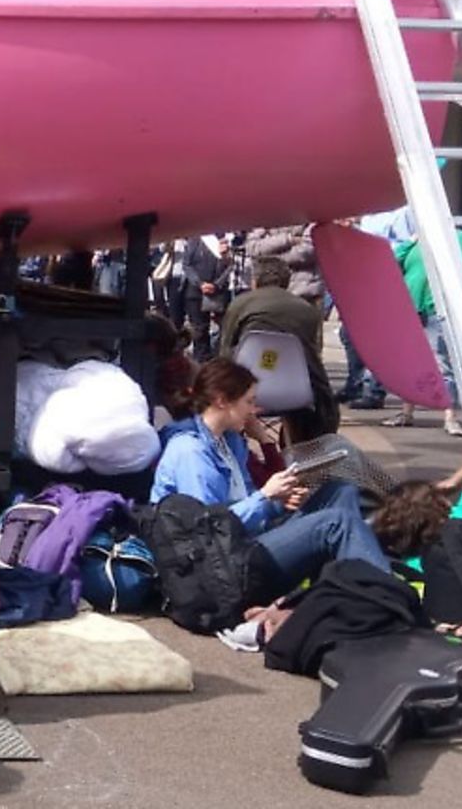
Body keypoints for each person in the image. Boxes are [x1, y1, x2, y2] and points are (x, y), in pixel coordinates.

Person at [152, 359, 386, 604]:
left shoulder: (229, 442)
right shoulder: (191, 451)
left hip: (243, 544)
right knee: (336, 522)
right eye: (249, 402)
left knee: (341, 491)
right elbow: (209, 531)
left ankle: (344, 592)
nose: (255, 410)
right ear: (222, 401)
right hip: (221, 569)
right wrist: (266, 497)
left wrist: (280, 500)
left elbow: (246, 502)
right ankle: (381, 598)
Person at [219, 255, 337, 441]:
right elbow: (314, 356)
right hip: (296, 391)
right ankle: (303, 447)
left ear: (255, 280)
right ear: (287, 282)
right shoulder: (306, 309)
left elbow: (225, 349)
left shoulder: (241, 304)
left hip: (245, 389)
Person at [385, 229, 462, 436]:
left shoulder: (459, 238)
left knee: (442, 363)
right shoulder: (417, 240)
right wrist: (410, 242)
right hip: (411, 309)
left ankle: (450, 417)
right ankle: (406, 413)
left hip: (438, 310)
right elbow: (391, 260)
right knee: (410, 362)